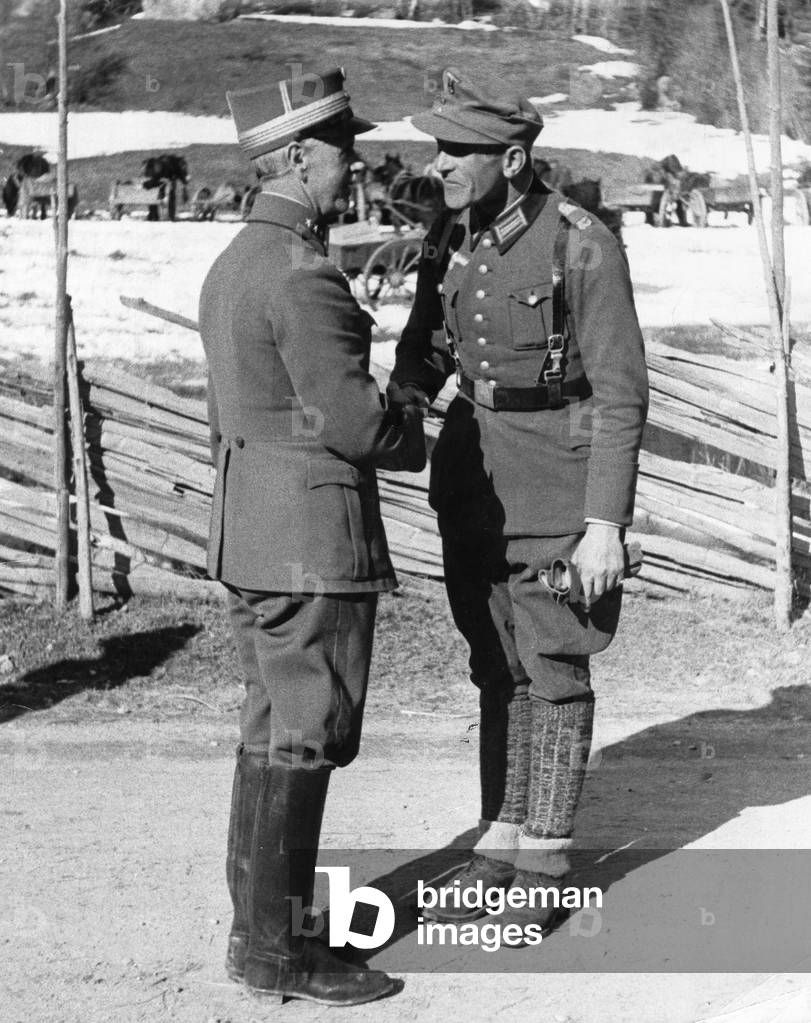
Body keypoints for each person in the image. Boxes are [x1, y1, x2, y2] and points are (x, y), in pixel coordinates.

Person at [388, 67, 649, 939]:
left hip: (555, 482)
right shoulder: (449, 231)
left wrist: (605, 522)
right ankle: (500, 841)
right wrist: (393, 403)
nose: (439, 163)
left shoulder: (581, 243)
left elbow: (620, 393)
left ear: (511, 153)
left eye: (456, 149)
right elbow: (425, 341)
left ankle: (547, 861)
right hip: (473, 476)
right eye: (436, 146)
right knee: (493, 663)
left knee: (555, 664)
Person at [199, 66, 423, 1005]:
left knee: (271, 734)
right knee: (309, 734)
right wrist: (413, 409)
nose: (355, 164)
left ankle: (264, 930)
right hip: (308, 541)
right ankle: (279, 953)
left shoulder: (238, 262)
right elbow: (357, 424)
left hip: (253, 532)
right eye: (341, 148)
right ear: (295, 156)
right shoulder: (301, 274)